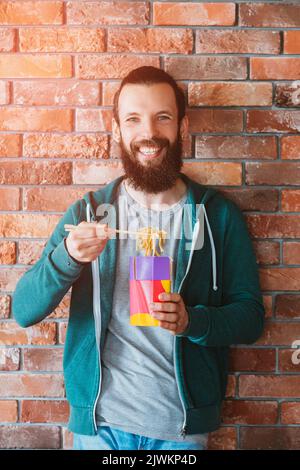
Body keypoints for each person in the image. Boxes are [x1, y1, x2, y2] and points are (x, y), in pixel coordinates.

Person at [12, 66, 265, 451]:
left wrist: (192, 320)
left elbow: (250, 318)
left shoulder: (216, 216)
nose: (148, 133)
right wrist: (67, 257)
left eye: (162, 117)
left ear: (182, 125)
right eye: (133, 119)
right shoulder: (90, 212)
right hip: (101, 426)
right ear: (116, 129)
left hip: (179, 431)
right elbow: (24, 310)